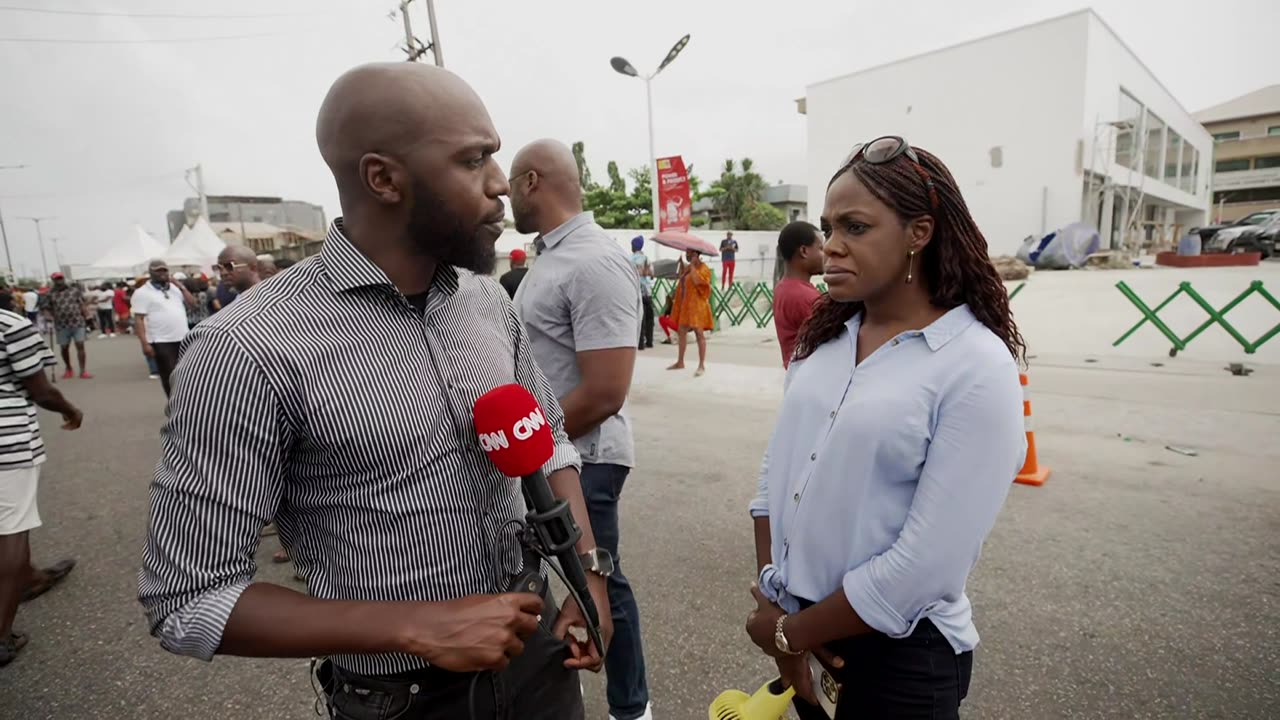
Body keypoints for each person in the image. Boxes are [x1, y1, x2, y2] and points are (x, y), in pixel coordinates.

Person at [138, 63, 611, 720]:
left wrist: (589, 572)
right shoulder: (244, 349)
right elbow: (187, 600)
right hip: (402, 702)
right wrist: (414, 627)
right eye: (473, 161)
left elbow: (550, 443)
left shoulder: (488, 305)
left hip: (540, 662)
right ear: (383, 178)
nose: (501, 184)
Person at [744, 137, 1027, 719]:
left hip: (902, 662)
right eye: (828, 228)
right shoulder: (824, 340)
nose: (831, 248)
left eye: (856, 227)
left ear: (918, 234)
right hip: (802, 626)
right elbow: (777, 474)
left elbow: (927, 564)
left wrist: (791, 633)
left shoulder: (975, 365)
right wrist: (779, 601)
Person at [509, 139, 650, 720]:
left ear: (532, 181)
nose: (500, 190)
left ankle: (631, 709)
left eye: (509, 180)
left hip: (585, 454)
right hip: (554, 453)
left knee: (600, 579)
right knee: (573, 582)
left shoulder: (591, 260)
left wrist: (523, 438)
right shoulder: (551, 257)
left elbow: (605, 390)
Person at [0, 291, 83, 665]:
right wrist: (70, 409)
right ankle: (1, 636)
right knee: (12, 527)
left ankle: (30, 577)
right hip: (7, 441)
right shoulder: (10, 325)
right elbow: (41, 391)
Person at [131, 259, 195, 397]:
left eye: (164, 270)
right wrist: (144, 344)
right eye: (158, 270)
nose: (162, 273)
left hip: (183, 337)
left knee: (188, 373)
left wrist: (181, 286)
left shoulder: (175, 289)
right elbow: (139, 319)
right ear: (151, 272)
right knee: (170, 375)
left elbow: (193, 304)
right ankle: (174, 405)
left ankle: (188, 403)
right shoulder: (142, 292)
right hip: (161, 340)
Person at [772, 221, 824, 368]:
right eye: (821, 248)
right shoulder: (804, 296)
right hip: (811, 375)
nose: (826, 254)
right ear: (804, 251)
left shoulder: (782, 287)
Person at [666, 250, 713, 376]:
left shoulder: (704, 269)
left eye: (690, 255)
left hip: (698, 306)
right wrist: (682, 265)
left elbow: (698, 281)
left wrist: (692, 266)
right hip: (687, 305)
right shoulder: (688, 268)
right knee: (681, 331)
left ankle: (701, 365)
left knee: (699, 333)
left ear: (696, 255)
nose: (688, 256)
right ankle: (680, 361)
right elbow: (682, 280)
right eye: (687, 254)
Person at [37, 273, 91, 380]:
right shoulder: (50, 294)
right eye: (57, 279)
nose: (59, 281)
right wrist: (48, 316)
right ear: (53, 280)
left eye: (61, 278)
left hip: (77, 322)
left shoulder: (74, 291)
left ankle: (83, 371)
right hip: (61, 324)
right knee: (64, 348)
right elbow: (45, 308)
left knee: (80, 345)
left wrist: (87, 315)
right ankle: (68, 368)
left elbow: (81, 304)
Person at [630, 236, 654, 351]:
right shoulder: (647, 259)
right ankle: (650, 341)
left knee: (640, 318)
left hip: (636, 291)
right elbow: (652, 274)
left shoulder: (630, 259)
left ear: (634, 246)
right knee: (650, 317)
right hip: (647, 292)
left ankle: (640, 343)